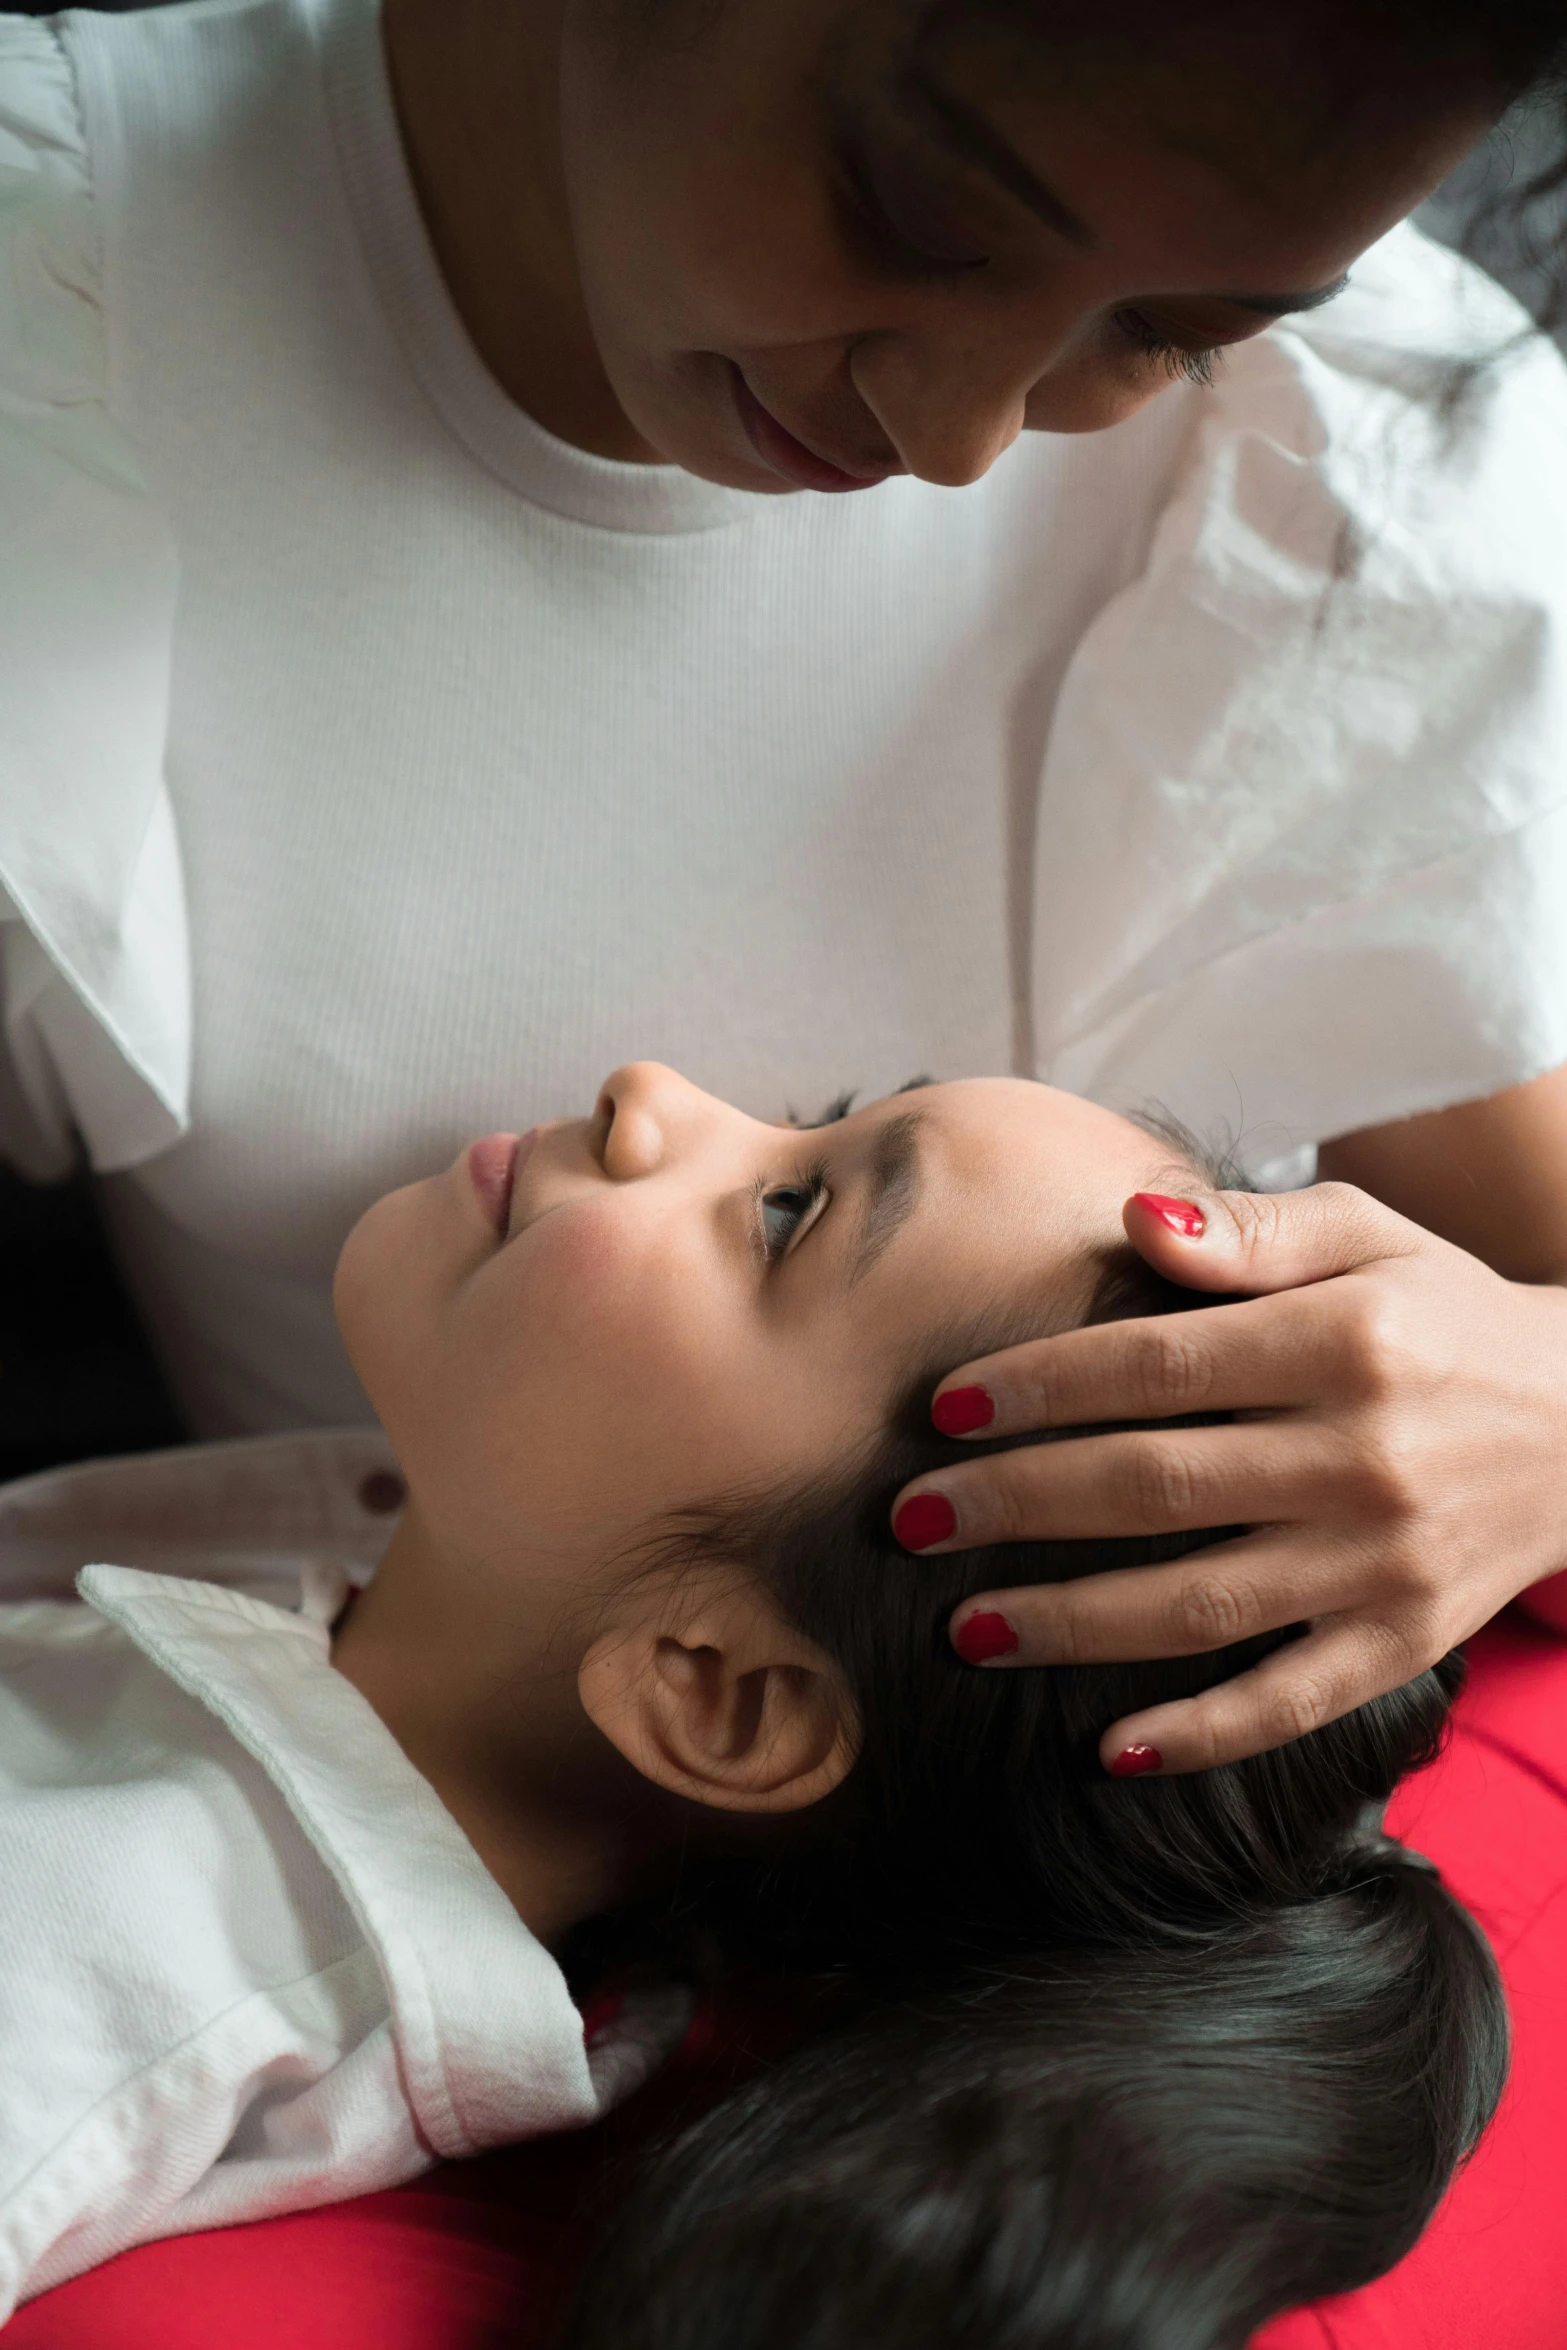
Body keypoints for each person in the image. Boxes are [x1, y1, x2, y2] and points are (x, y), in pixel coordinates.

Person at [7, 0, 1567, 1780]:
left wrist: (1544, 1410)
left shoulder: (1339, 470)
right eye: (923, 219)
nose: (965, 433)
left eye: (1170, 335)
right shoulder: (58, 334)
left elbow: (1530, 1263)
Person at [0, 1065, 1506, 2343]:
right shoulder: (357, 1589)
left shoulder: (111, 1949)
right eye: (810, 1117)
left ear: (718, 1696)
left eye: (788, 1212)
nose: (649, 1094)